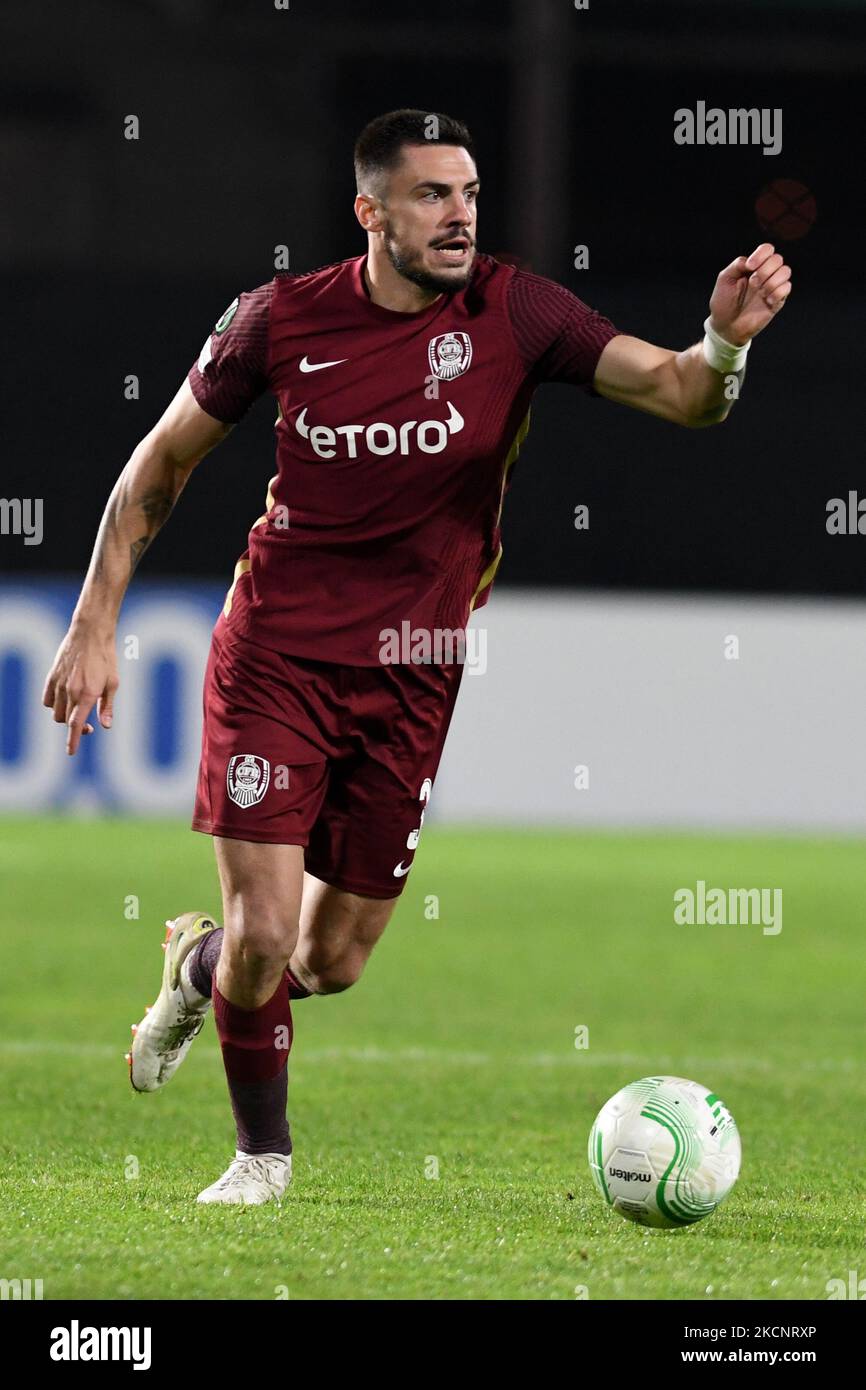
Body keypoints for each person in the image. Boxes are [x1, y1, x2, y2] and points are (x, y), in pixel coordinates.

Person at [42, 108, 792, 1205]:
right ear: (370, 213)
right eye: (432, 195)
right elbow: (159, 463)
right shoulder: (277, 321)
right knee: (264, 929)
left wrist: (722, 342)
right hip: (276, 658)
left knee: (326, 960)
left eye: (471, 194)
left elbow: (683, 393)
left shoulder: (518, 310)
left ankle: (192, 970)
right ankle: (261, 1158)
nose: (459, 216)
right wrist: (94, 621)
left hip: (414, 674)